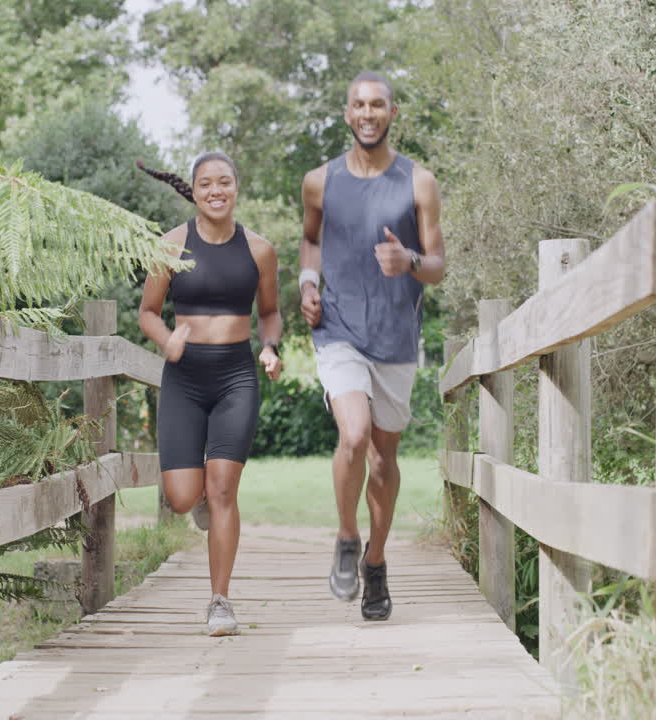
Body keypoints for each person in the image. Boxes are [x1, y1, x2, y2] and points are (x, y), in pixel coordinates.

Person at [298, 71, 446, 621]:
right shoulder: (320, 181)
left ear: (393, 112)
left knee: (384, 462)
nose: (368, 113)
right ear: (346, 113)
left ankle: (376, 564)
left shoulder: (418, 182)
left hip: (396, 338)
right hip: (338, 331)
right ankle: (345, 536)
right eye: (358, 104)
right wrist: (307, 285)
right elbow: (310, 240)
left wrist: (407, 260)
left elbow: (437, 266)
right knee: (354, 436)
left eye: (377, 104)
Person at [137, 152, 283, 636]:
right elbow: (148, 313)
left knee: (224, 490)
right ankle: (198, 498)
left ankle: (220, 601)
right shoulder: (171, 246)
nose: (216, 190)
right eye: (206, 184)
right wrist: (167, 340)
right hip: (184, 375)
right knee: (182, 498)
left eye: (224, 182)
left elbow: (270, 312)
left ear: (236, 187)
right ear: (194, 191)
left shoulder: (259, 250)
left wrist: (271, 347)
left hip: (236, 376)